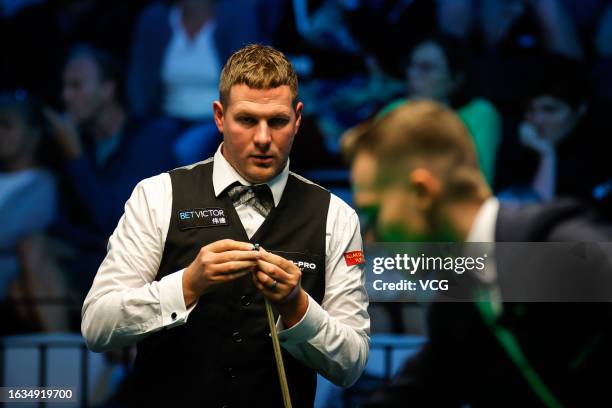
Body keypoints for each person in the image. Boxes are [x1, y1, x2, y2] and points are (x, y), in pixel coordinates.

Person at [81, 44, 370, 407]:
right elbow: (97, 325)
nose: (263, 138)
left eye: (277, 121)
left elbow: (352, 363)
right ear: (220, 117)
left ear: (298, 119)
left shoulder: (336, 216)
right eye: (247, 120)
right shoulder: (157, 196)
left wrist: (297, 306)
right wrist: (187, 284)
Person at [351, 100, 612, 407]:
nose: (369, 236)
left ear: (422, 192)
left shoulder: (561, 249)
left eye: (374, 212)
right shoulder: (455, 309)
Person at [48, 45, 180, 296]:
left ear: (108, 90)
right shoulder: (79, 142)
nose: (65, 96)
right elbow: (62, 223)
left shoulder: (147, 141)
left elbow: (115, 222)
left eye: (76, 86)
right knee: (31, 251)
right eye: (64, 87)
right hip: (90, 255)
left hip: (141, 268)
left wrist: (75, 159)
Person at [376, 35, 501, 187]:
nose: (413, 75)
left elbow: (477, 182)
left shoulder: (480, 113)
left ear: (456, 78)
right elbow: (372, 177)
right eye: (411, 65)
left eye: (426, 68)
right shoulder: (393, 112)